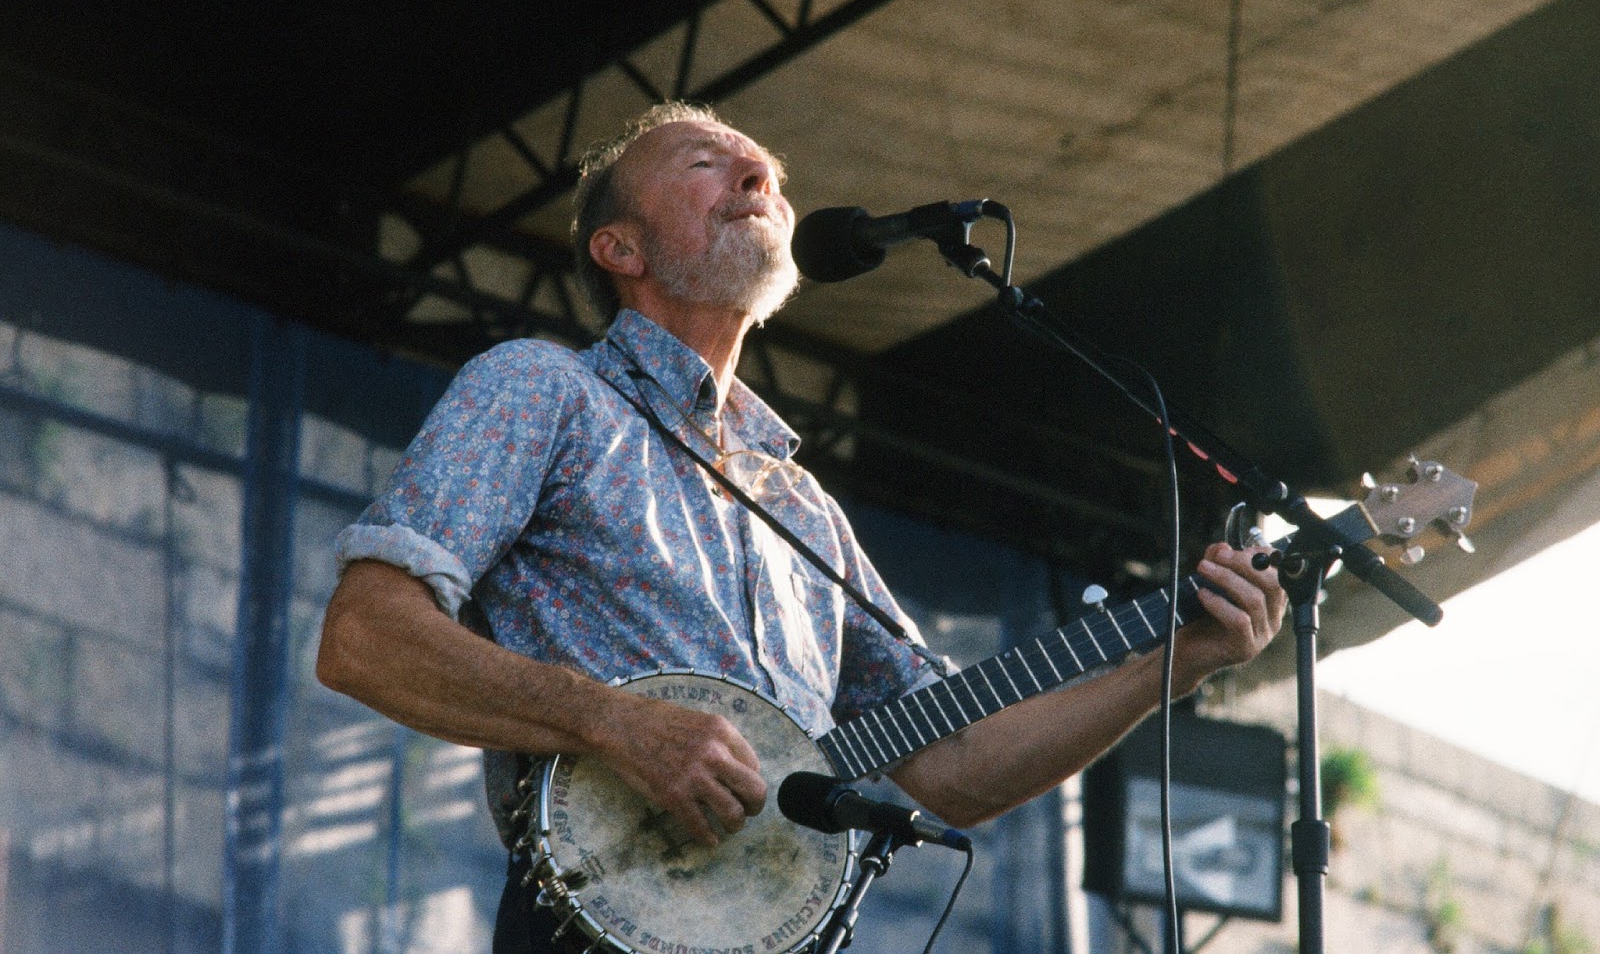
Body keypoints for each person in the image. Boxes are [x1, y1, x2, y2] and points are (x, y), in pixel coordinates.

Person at [316, 101, 1287, 953]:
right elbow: (364, 635)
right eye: (706, 162)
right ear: (621, 248)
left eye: (767, 174)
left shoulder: (802, 508)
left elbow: (947, 765)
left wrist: (1180, 658)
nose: (757, 174)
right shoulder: (543, 389)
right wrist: (612, 722)